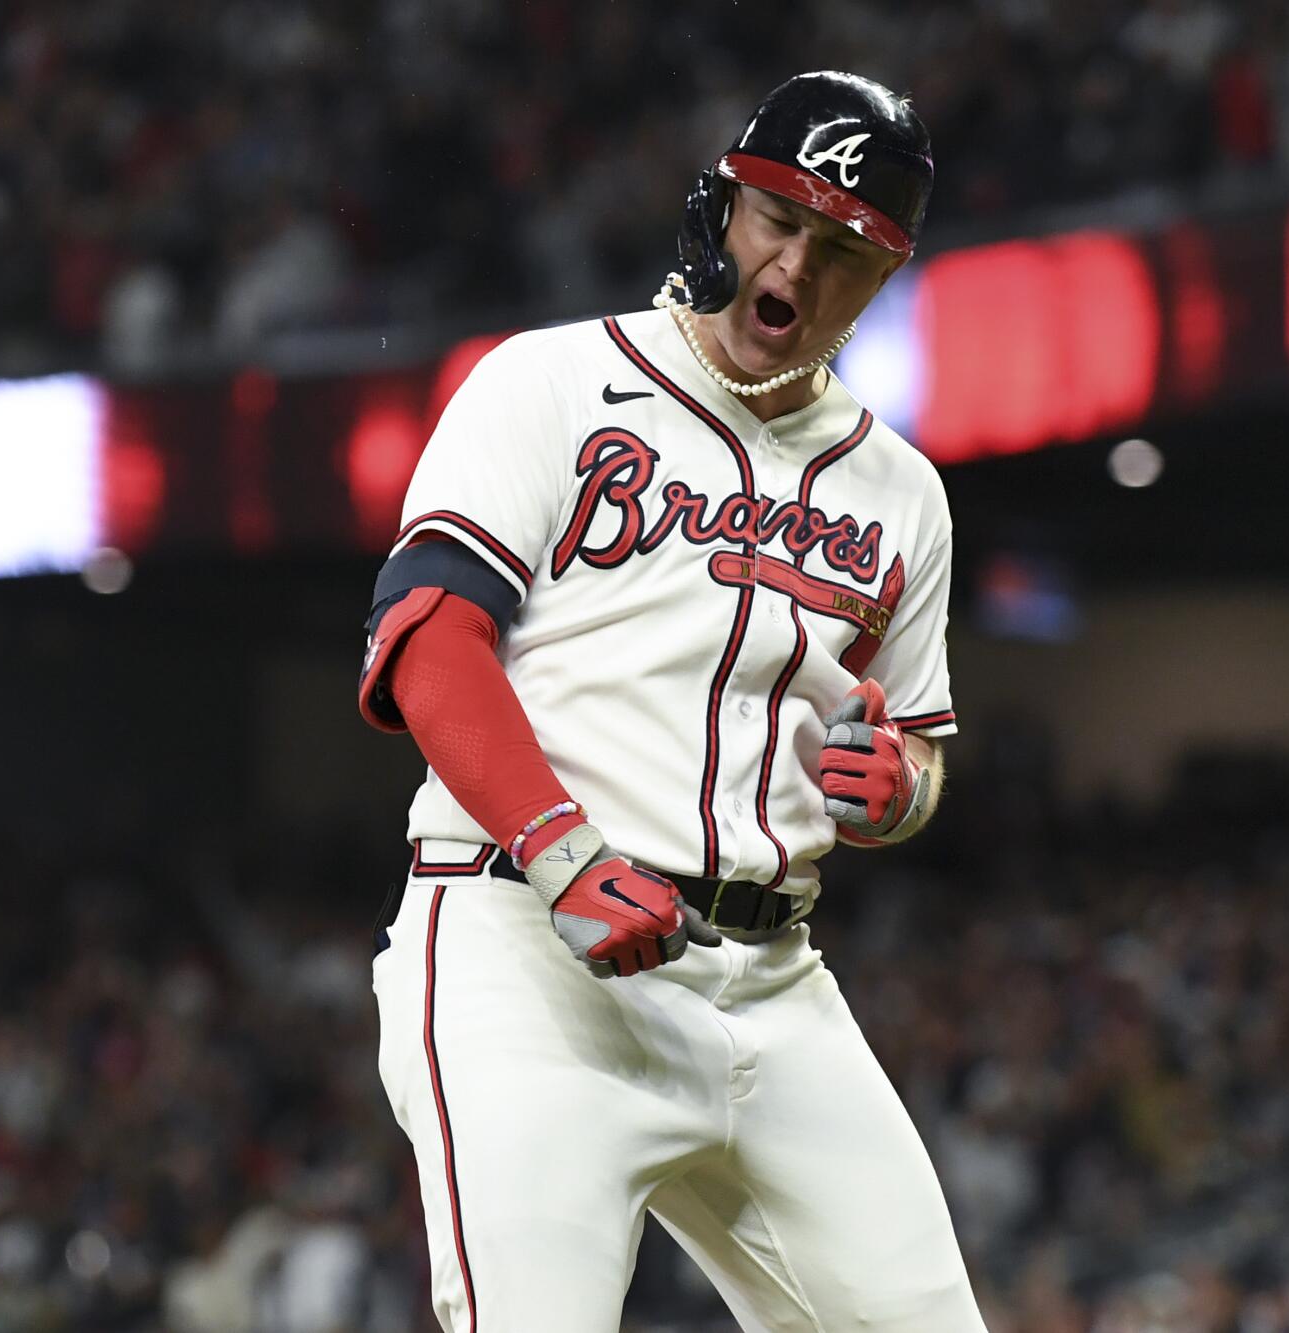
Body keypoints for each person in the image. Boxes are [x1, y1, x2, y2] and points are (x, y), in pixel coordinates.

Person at [356, 71, 984, 1331]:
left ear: (883, 280)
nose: (799, 270)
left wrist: (905, 792)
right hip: (524, 954)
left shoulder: (902, 490)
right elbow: (428, 643)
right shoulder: (546, 382)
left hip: (772, 977)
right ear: (722, 210)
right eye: (782, 223)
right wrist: (558, 846)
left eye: (846, 252)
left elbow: (912, 738)